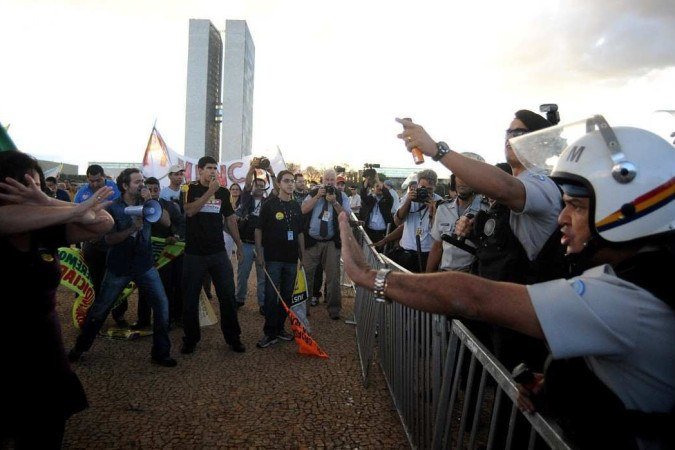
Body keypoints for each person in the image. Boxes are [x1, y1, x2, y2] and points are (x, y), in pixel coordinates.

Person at [341, 117, 675, 450]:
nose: (562, 217)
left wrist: (371, 276)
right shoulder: (640, 273)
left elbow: (474, 296)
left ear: (629, 210)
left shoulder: (622, 298)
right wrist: (566, 387)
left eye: (576, 206)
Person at [0, 151, 114, 448]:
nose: (33, 193)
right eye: (24, 187)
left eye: (37, 186)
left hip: (43, 351)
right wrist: (76, 209)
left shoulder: (44, 227)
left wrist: (46, 201)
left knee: (45, 433)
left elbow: (103, 221)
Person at [397, 111, 566, 283]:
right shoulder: (518, 186)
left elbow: (505, 188)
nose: (510, 138)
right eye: (508, 132)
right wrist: (474, 229)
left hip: (522, 299)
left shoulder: (543, 185)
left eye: (519, 133)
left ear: (538, 143)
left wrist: (437, 150)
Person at [68, 168, 177, 367]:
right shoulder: (114, 208)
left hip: (144, 265)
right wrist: (131, 230)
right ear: (125, 186)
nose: (142, 185)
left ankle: (161, 353)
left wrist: (152, 201)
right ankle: (80, 347)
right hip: (119, 267)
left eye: (142, 181)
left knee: (162, 306)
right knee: (100, 309)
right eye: (137, 182)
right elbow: (108, 239)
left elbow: (166, 222)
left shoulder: (148, 203)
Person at [181, 156, 245, 354]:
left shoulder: (224, 193)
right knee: (190, 298)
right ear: (199, 170)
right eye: (209, 168)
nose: (212, 172)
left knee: (227, 296)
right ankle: (190, 339)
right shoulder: (188, 189)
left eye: (214, 169)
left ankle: (233, 338)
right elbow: (189, 212)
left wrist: (239, 244)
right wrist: (210, 191)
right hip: (194, 254)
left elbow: (230, 220)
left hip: (218, 252)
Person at [255, 170, 305, 348]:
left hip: (291, 259)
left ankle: (279, 328)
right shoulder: (269, 205)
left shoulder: (296, 206)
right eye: (286, 181)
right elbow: (258, 229)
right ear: (279, 183)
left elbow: (299, 232)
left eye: (292, 181)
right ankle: (269, 332)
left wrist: (302, 254)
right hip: (273, 258)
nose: (290, 184)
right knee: (270, 296)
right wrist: (259, 253)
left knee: (286, 296)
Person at [74, 164, 125, 326]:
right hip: (92, 244)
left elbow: (122, 211)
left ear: (104, 176)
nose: (95, 184)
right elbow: (75, 217)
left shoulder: (116, 189)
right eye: (91, 181)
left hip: (113, 242)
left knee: (116, 280)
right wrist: (88, 236)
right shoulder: (82, 193)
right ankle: (90, 316)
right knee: (92, 280)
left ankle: (119, 315)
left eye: (98, 180)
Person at [132, 177, 184, 329]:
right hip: (144, 255)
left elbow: (180, 223)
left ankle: (166, 320)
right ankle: (143, 320)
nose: (153, 192)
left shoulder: (169, 205)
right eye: (149, 189)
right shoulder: (136, 207)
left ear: (160, 190)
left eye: (156, 189)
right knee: (144, 289)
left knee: (166, 288)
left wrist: (175, 236)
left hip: (165, 255)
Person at [301, 168, 352, 319]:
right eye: (327, 180)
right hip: (312, 241)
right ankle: (303, 309)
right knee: (307, 276)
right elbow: (303, 210)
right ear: (322, 180)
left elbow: (346, 216)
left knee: (333, 277)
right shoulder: (313, 193)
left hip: (331, 242)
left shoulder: (341, 196)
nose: (330, 182)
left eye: (332, 180)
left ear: (336, 181)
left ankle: (334, 310)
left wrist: (335, 202)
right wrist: (317, 196)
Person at [426, 174, 484, 273]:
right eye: (458, 175)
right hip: (444, 273)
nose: (462, 181)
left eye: (466, 175)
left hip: (472, 275)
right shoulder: (443, 208)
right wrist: (427, 277)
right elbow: (437, 246)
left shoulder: (485, 210)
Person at [392, 169, 443, 272]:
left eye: (429, 190)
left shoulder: (439, 202)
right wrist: (408, 201)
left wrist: (433, 214)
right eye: (422, 188)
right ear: (417, 185)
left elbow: (439, 233)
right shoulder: (409, 197)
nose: (425, 192)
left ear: (434, 188)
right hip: (406, 250)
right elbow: (398, 222)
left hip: (427, 252)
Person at [236, 166, 269, 312]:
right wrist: (251, 169)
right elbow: (248, 182)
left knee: (263, 276)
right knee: (242, 274)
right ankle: (239, 299)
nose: (260, 188)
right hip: (246, 243)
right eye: (258, 185)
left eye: (262, 186)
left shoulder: (268, 203)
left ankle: (262, 303)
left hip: (262, 245)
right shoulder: (246, 198)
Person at [358, 171, 395, 244]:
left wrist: (377, 180)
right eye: (376, 186)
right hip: (370, 232)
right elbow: (363, 195)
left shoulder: (388, 200)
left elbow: (387, 194)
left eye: (380, 186)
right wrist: (367, 180)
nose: (379, 188)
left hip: (383, 234)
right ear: (373, 188)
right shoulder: (371, 199)